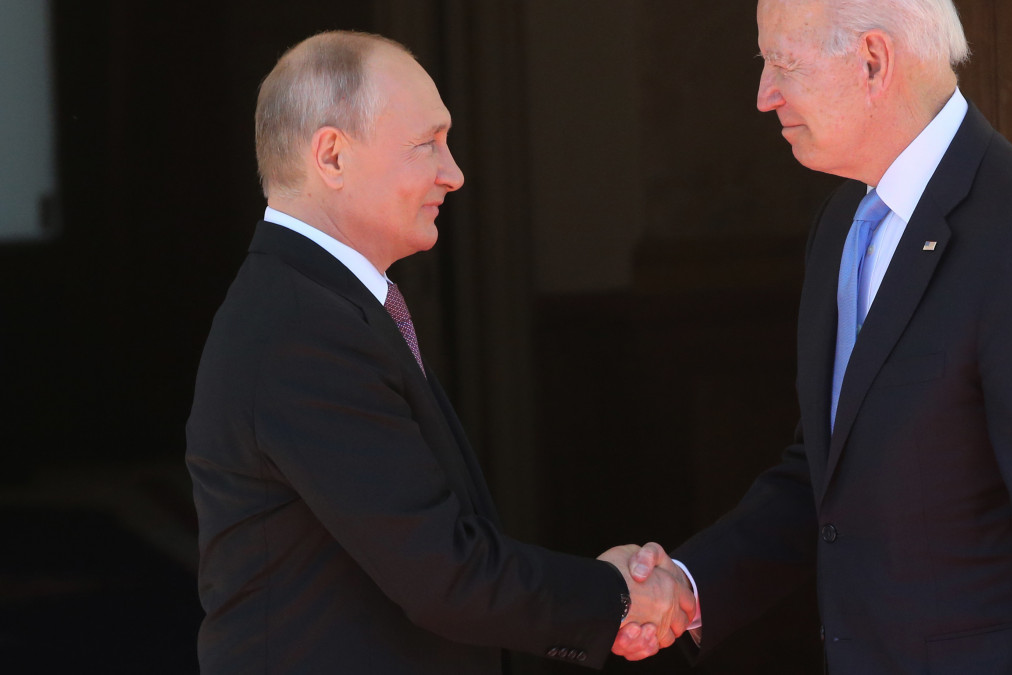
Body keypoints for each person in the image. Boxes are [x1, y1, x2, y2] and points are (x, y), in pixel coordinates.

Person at [616, 0, 1012, 672]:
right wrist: (688, 585)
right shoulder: (844, 225)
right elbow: (827, 473)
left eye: (782, 62)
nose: (763, 95)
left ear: (873, 59)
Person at [185, 31, 692, 674]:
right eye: (428, 143)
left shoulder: (320, 306)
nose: (453, 174)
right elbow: (444, 574)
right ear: (332, 157)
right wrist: (618, 598)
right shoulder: (301, 328)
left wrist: (608, 597)